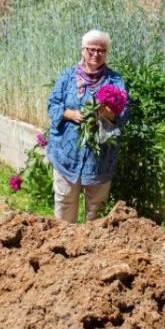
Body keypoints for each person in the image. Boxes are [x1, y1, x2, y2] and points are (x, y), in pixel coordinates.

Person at [46, 29, 129, 223]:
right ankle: (63, 245)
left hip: (100, 156)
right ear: (83, 50)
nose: (96, 54)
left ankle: (92, 250)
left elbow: (124, 113)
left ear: (106, 53)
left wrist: (107, 112)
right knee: (65, 201)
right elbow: (53, 105)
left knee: (96, 208)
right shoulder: (67, 76)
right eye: (91, 49)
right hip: (66, 153)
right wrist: (70, 114)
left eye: (101, 50)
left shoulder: (115, 80)